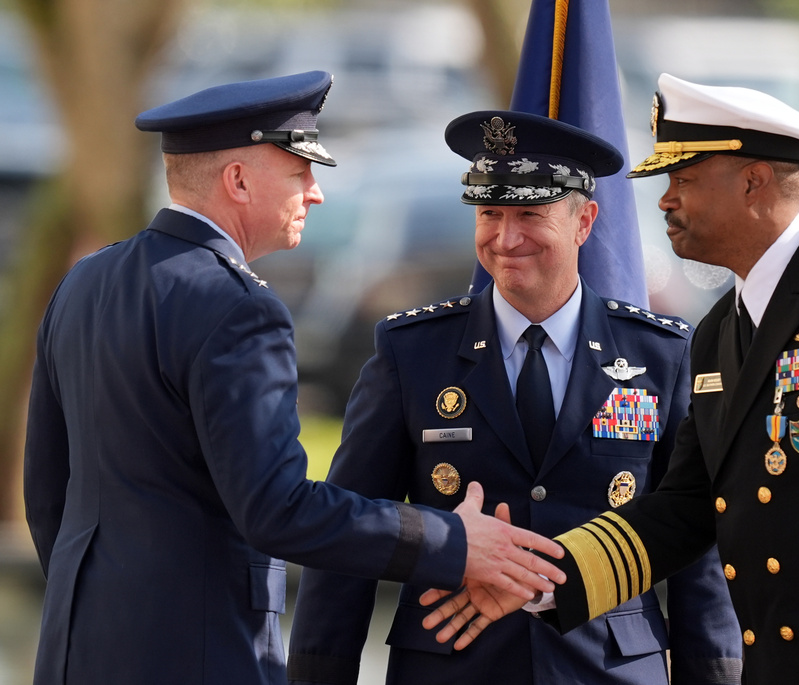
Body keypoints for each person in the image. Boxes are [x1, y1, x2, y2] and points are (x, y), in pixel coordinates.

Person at [422, 75, 799, 685]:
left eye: (684, 180)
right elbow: (685, 507)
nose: (665, 201)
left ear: (752, 181)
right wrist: (537, 581)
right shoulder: (724, 324)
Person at [22, 72, 566, 685]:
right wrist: (453, 541)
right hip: (201, 657)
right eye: (300, 172)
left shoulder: (85, 282)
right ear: (237, 180)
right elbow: (277, 509)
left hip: (75, 652)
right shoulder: (238, 307)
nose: (316, 193)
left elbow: (47, 495)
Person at [286, 110, 742, 685]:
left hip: (608, 668)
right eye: (490, 214)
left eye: (530, 213)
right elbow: (350, 538)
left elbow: (698, 548)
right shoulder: (412, 353)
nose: (506, 238)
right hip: (452, 666)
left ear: (585, 221)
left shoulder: (662, 355)